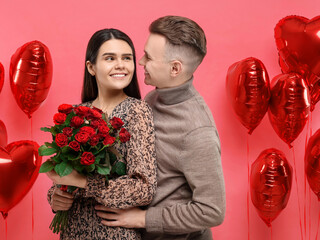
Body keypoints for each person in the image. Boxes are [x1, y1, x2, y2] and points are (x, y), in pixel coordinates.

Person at [94, 16, 226, 240]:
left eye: (149, 57)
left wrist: (143, 219)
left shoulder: (197, 132)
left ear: (175, 68)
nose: (141, 62)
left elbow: (212, 211)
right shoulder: (153, 98)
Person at [46, 28, 157, 240]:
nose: (121, 65)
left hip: (113, 233)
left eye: (127, 58)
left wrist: (85, 183)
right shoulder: (76, 114)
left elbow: (144, 188)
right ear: (91, 67)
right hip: (72, 231)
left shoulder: (137, 111)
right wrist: (55, 196)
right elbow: (65, 178)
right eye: (110, 58)